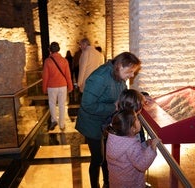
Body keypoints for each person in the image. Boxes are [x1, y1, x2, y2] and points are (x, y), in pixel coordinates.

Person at [75, 52, 141, 188]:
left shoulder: (117, 74)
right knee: (98, 158)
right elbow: (87, 105)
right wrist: (113, 106)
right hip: (92, 123)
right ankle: (95, 185)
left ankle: (108, 182)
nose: (132, 75)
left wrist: (140, 98)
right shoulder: (100, 77)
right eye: (130, 71)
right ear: (120, 66)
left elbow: (122, 93)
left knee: (107, 156)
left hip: (106, 122)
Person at [106, 109, 160, 188]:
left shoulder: (113, 138)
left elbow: (131, 155)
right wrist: (151, 149)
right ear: (132, 128)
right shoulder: (131, 145)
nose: (139, 121)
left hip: (117, 181)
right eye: (137, 119)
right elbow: (142, 164)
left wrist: (145, 145)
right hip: (131, 183)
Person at [42, 42, 73, 131]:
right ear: (58, 49)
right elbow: (68, 75)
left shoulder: (48, 61)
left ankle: (54, 120)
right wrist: (70, 86)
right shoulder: (64, 60)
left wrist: (44, 88)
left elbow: (45, 76)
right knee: (62, 105)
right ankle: (62, 124)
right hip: (63, 85)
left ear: (50, 50)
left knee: (52, 103)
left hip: (52, 86)